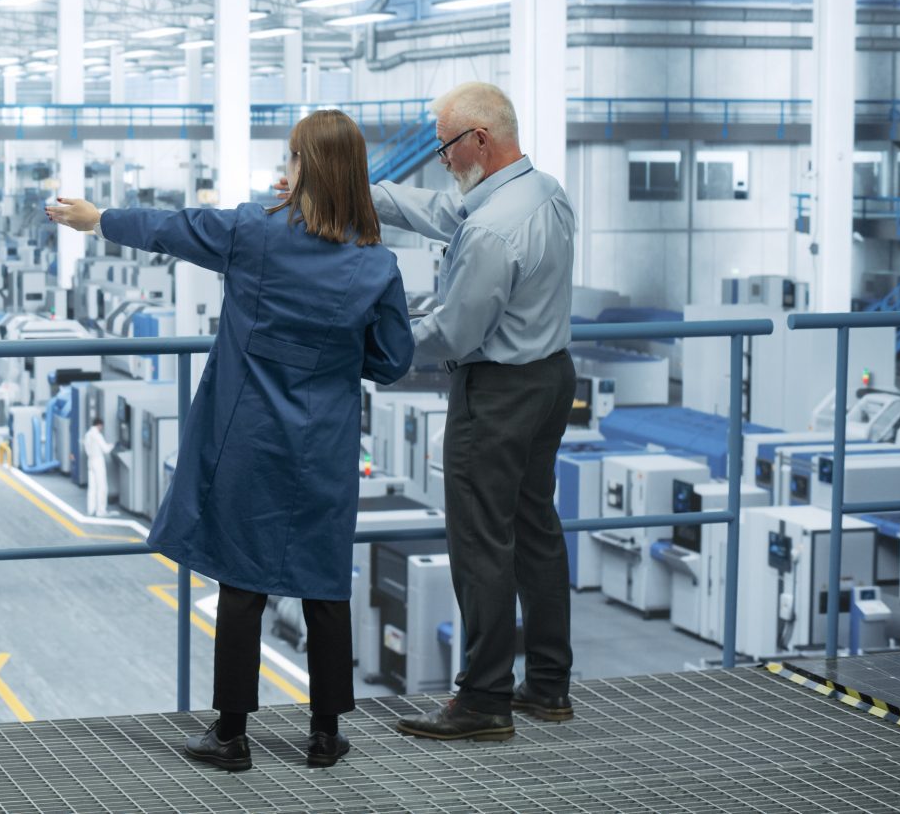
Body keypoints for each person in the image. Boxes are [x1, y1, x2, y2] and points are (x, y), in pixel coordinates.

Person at [49, 108, 413, 772]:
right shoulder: (376, 263)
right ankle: (327, 732)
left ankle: (232, 734)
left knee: (243, 581)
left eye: (294, 158)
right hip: (326, 442)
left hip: (251, 438)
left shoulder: (253, 230)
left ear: (303, 167)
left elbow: (170, 229)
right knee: (324, 582)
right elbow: (391, 358)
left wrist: (97, 218)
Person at [374, 81, 579, 741]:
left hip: (496, 394)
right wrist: (358, 191)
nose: (440, 158)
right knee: (536, 530)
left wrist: (377, 338)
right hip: (551, 379)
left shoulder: (490, 228)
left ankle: (485, 699)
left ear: (480, 141)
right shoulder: (541, 190)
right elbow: (443, 209)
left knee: (482, 543)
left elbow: (452, 333)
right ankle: (547, 686)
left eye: (445, 145)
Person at [82, 418, 113, 518]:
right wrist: (112, 445)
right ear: (99, 425)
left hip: (90, 461)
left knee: (92, 487)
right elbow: (106, 449)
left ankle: (91, 510)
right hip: (98, 461)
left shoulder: (87, 435)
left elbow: (87, 449)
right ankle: (101, 511)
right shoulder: (97, 435)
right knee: (102, 487)